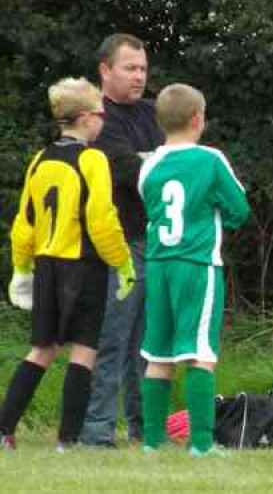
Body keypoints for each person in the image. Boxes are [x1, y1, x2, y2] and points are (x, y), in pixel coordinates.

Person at [1, 77, 135, 450]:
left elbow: (23, 222)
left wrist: (22, 268)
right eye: (102, 115)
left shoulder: (39, 160)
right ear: (87, 118)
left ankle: (3, 429)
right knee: (84, 350)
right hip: (83, 266)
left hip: (46, 265)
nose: (104, 122)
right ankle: (67, 440)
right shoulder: (93, 159)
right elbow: (101, 217)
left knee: (42, 349)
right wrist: (123, 263)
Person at [137, 83, 249, 456]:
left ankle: (152, 442)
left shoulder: (149, 164)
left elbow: (150, 207)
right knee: (199, 352)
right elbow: (239, 208)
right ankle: (202, 443)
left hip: (157, 265)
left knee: (158, 354)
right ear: (198, 119)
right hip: (197, 265)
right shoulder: (210, 160)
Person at [83, 33, 165, 447]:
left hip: (158, 241)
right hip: (118, 246)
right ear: (105, 70)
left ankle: (145, 426)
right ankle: (97, 430)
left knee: (149, 345)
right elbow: (127, 173)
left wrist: (149, 161)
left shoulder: (154, 112)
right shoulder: (96, 117)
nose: (139, 76)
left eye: (143, 68)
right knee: (112, 339)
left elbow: (175, 162)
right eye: (130, 68)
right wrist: (154, 162)